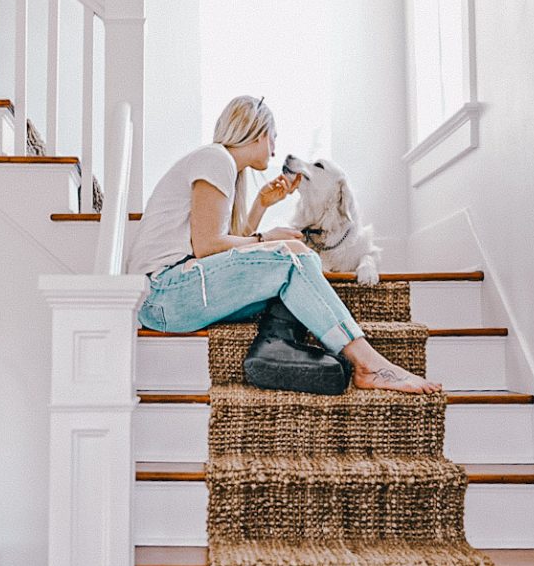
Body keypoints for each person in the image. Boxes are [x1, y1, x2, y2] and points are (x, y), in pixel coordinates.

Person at [126, 95, 441, 394]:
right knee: (293, 258)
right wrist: (268, 239)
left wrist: (262, 204)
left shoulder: (225, 169)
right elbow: (208, 246)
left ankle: (275, 351)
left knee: (296, 263)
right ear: (259, 132)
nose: (275, 148)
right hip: (163, 293)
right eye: (273, 136)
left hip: (175, 296)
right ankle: (367, 363)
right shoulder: (215, 158)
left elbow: (225, 250)